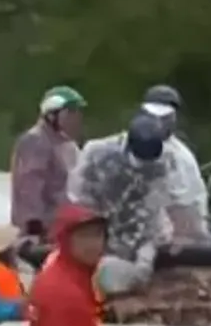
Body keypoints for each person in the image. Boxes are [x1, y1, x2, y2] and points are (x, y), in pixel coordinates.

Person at [67, 113, 183, 291]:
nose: (144, 165)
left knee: (142, 267)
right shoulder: (98, 153)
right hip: (101, 220)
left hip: (140, 225)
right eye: (140, 161)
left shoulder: (167, 160)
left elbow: (161, 204)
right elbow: (77, 195)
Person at [24, 204, 130, 326]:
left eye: (97, 235)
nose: (92, 244)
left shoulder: (68, 274)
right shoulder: (61, 290)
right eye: (83, 236)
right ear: (65, 240)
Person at [10, 85, 84, 240]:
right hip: (42, 234)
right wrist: (33, 226)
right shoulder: (35, 141)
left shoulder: (67, 143)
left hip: (66, 229)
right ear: (51, 115)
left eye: (77, 112)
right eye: (70, 112)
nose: (76, 118)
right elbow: (29, 186)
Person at [140, 85, 211, 241]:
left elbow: (191, 207)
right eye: (153, 115)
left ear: (174, 118)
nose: (159, 122)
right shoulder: (128, 145)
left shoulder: (182, 157)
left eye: (165, 117)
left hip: (173, 237)